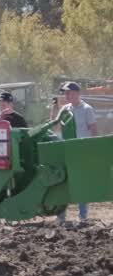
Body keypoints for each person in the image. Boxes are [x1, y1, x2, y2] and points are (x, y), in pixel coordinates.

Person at [51, 81, 100, 225]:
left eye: (69, 92)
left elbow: (93, 129)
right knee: (63, 183)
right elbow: (55, 127)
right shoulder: (65, 109)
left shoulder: (87, 109)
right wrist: (54, 108)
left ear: (77, 93)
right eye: (65, 93)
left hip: (81, 150)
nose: (67, 95)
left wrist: (93, 149)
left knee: (81, 183)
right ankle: (61, 216)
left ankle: (82, 216)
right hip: (66, 149)